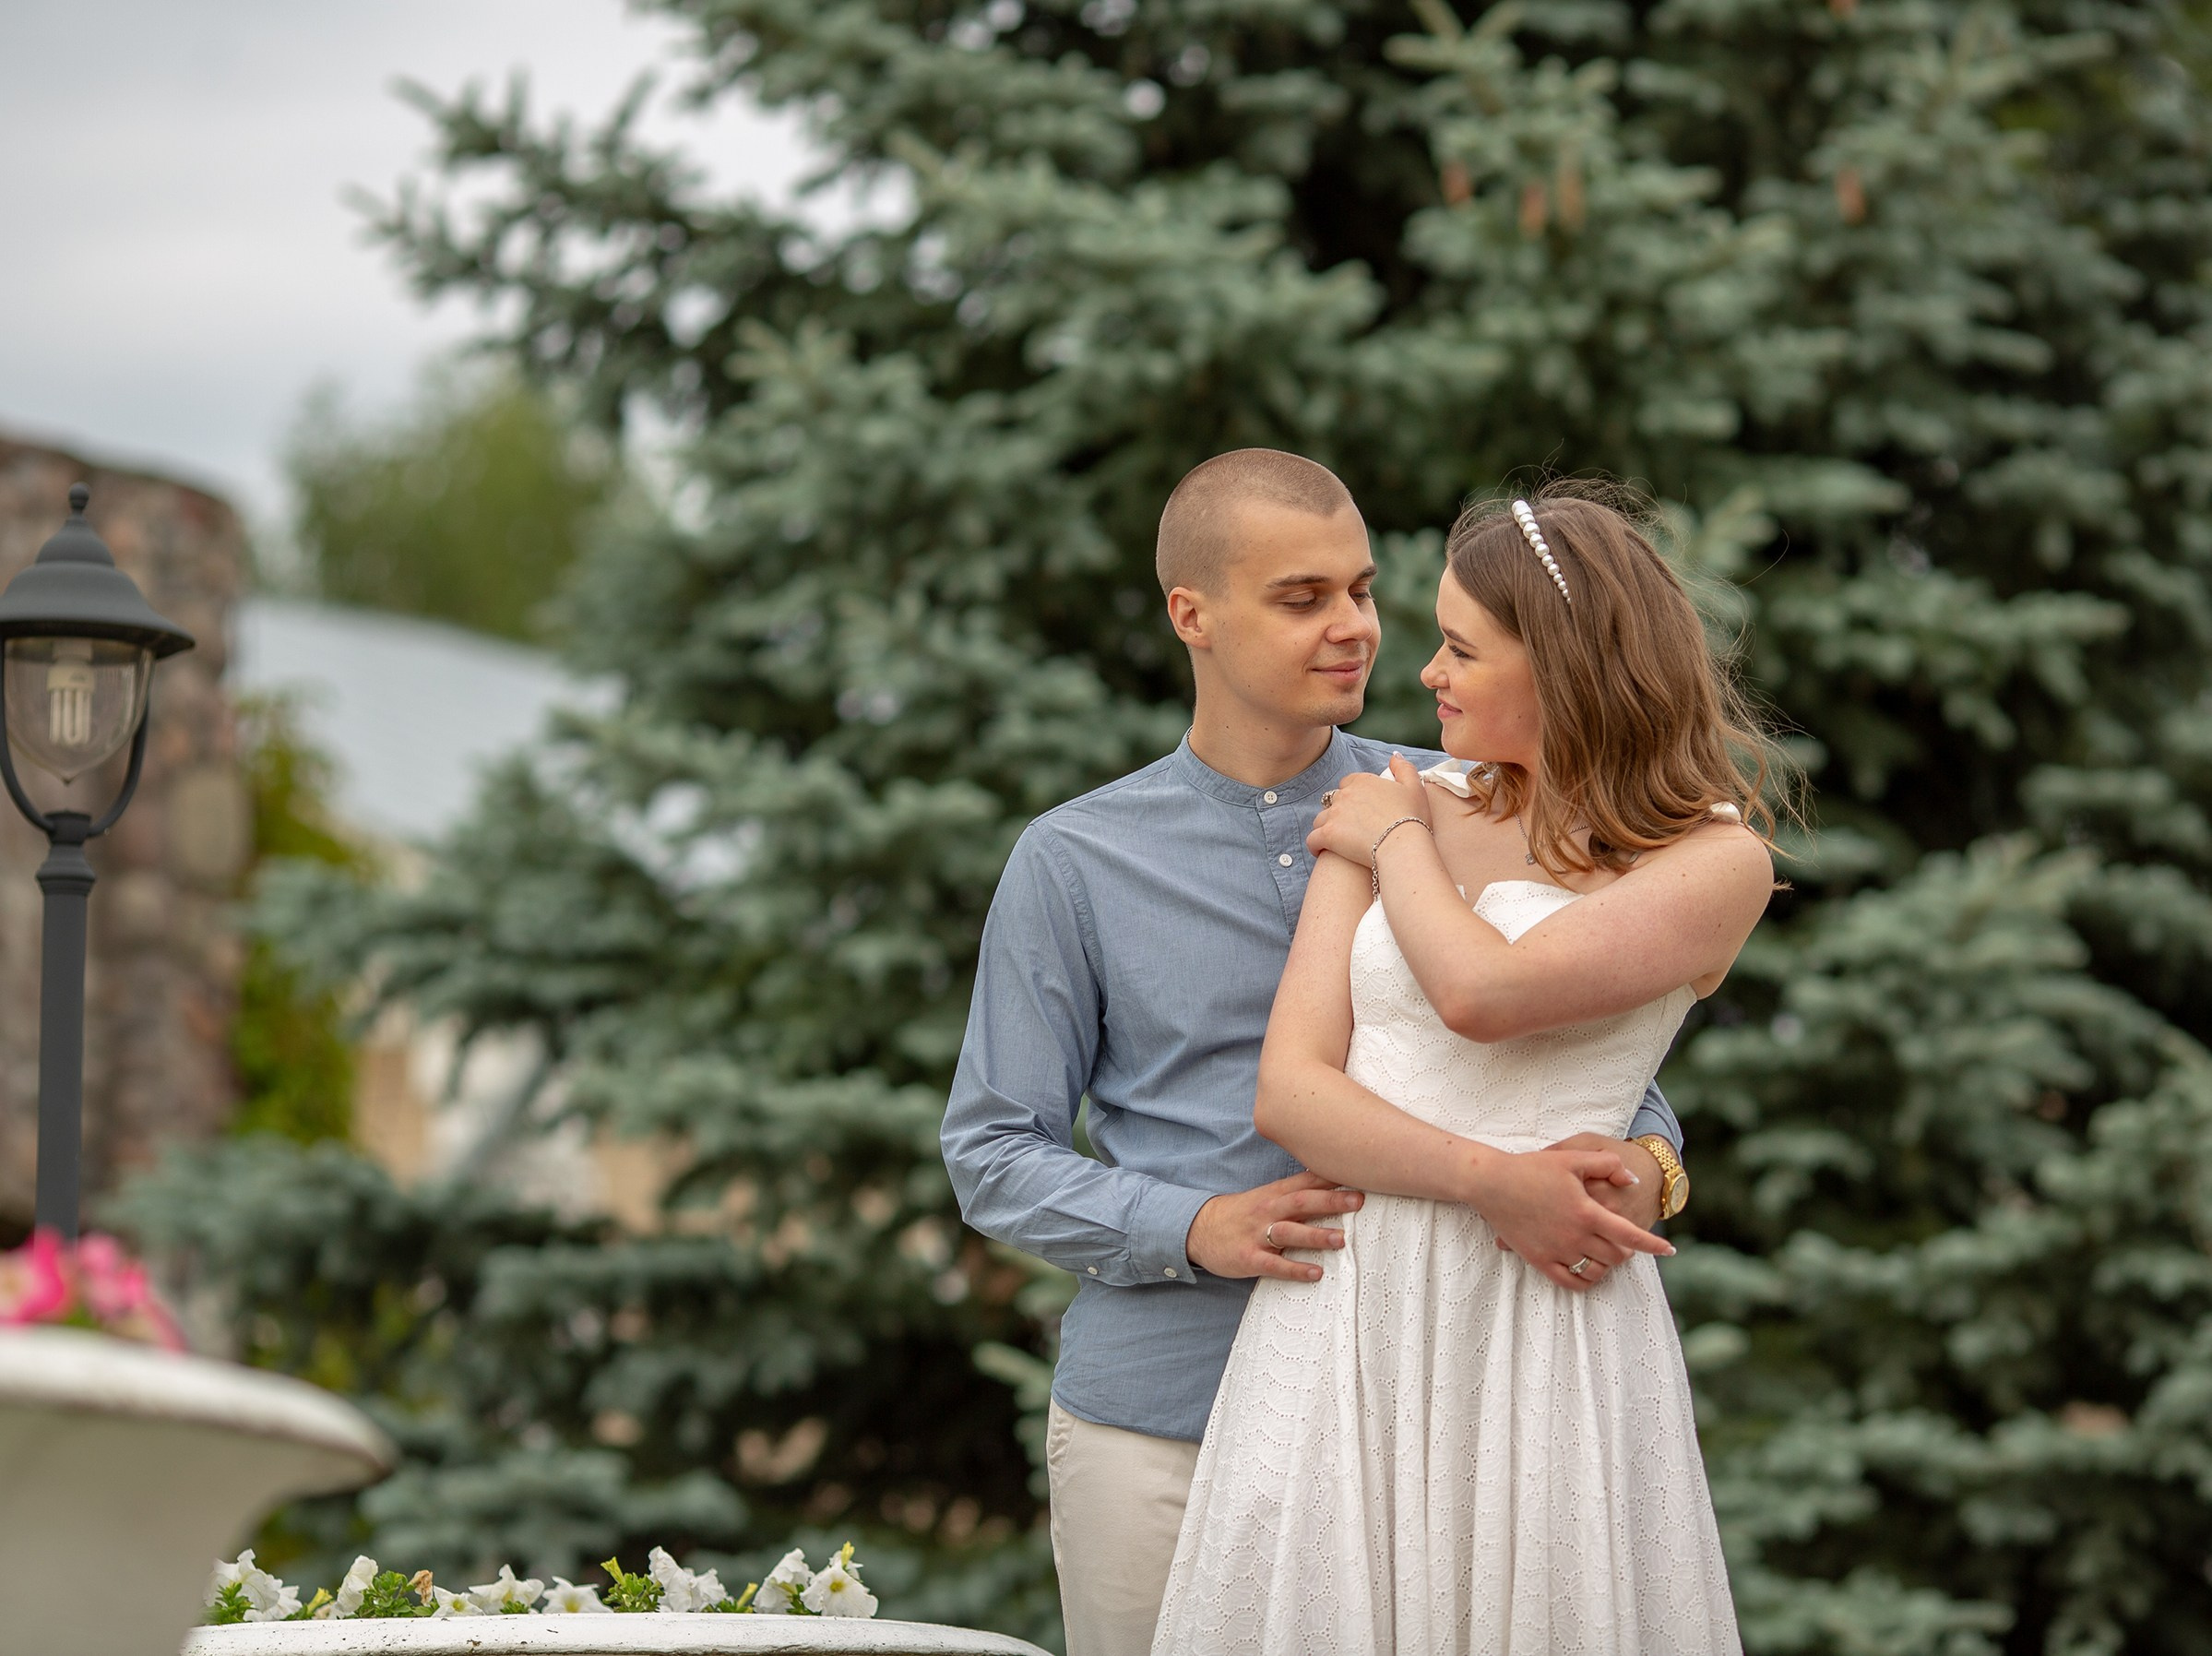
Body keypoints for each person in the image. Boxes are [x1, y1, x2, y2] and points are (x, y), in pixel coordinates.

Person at [940, 453, 1692, 1656]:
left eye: (1361, 588)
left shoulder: (1452, 800)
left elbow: (1592, 1050)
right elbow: (988, 1149)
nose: (1352, 628)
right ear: (1191, 611)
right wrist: (1191, 1225)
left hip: (1415, 1425)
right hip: (1163, 1420)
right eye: (1302, 597)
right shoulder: (1073, 859)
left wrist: (1650, 1165)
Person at [1148, 485, 1778, 1654]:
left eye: (1460, 646)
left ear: (1568, 667)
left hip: (1545, 1310)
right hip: (1349, 1305)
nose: (1424, 671)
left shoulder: (1712, 859)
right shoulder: (1407, 801)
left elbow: (1483, 996)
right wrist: (1493, 1176)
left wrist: (1389, 847)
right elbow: (1293, 1092)